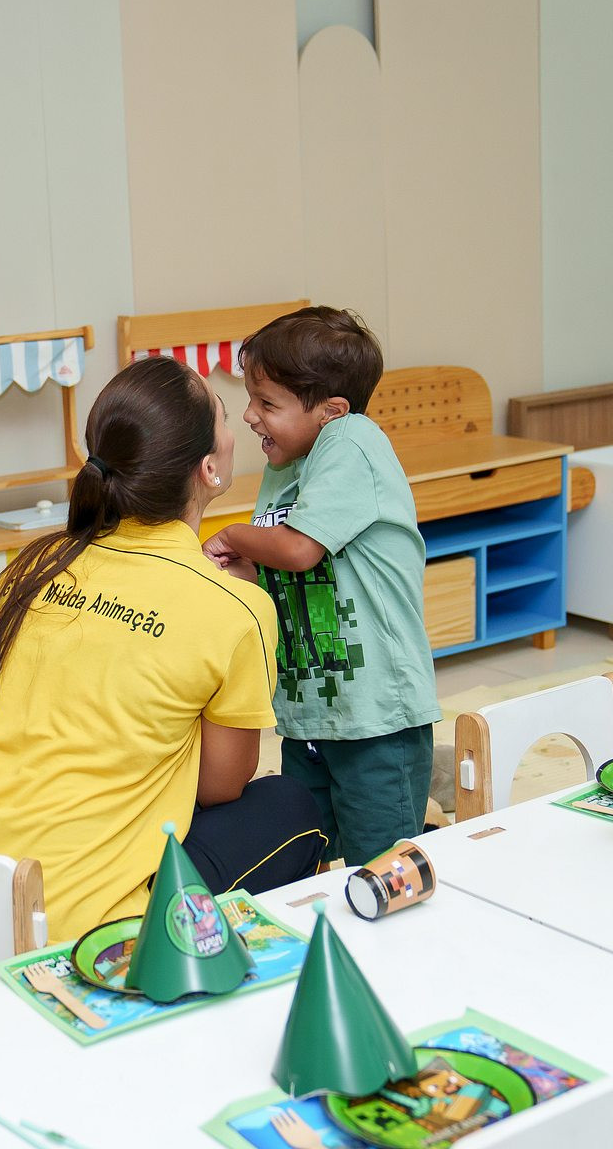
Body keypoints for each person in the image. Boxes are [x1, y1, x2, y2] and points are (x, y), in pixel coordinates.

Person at [0, 355, 326, 996]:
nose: (241, 425)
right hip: (48, 944)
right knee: (293, 806)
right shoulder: (236, 607)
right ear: (209, 468)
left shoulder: (30, 565)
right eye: (227, 416)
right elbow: (219, 788)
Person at [203, 306, 441, 866]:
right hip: (310, 712)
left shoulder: (351, 441)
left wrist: (232, 534)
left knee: (380, 868)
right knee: (305, 858)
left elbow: (298, 548)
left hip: (375, 718)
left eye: (267, 404)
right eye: (251, 400)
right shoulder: (287, 466)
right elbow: (286, 570)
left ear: (331, 411)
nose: (250, 416)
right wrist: (246, 572)